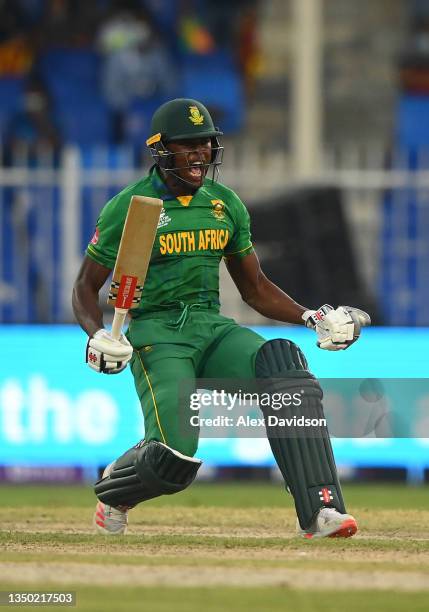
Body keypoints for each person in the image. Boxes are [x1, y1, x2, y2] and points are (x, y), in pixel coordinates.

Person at [72, 98, 370, 538]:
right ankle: (116, 489)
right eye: (186, 146)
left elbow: (255, 289)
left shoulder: (224, 204)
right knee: (175, 461)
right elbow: (84, 288)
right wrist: (97, 334)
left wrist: (312, 316)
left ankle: (320, 510)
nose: (198, 155)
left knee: (287, 370)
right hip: (158, 336)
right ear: (161, 150)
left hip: (211, 329)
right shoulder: (128, 207)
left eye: (205, 145)